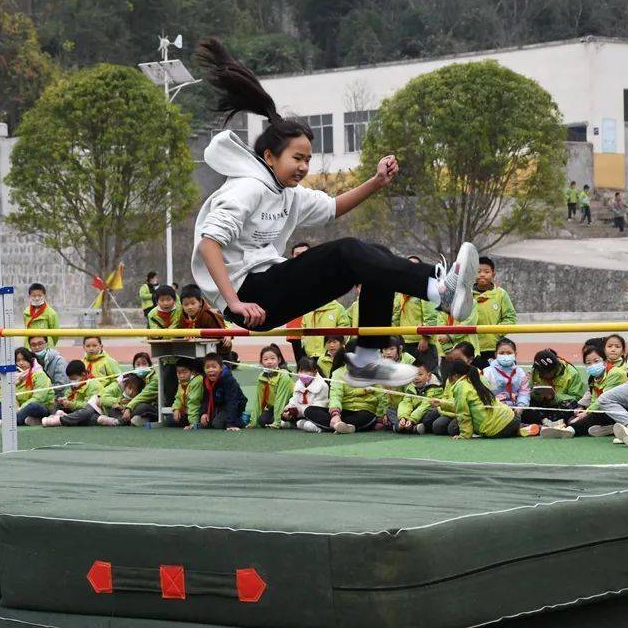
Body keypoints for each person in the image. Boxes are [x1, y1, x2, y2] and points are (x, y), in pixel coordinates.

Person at [191, 37, 478, 388]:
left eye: (308, 159)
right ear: (269, 157)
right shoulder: (246, 188)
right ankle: (438, 289)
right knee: (349, 250)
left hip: (271, 291)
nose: (303, 167)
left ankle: (367, 361)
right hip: (250, 295)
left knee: (376, 259)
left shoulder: (288, 193)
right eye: (297, 158)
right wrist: (234, 302)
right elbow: (209, 243)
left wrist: (376, 181)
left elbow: (332, 207)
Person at [541, 343, 627, 439]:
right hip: (599, 409)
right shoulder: (594, 377)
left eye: (596, 361)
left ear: (605, 361)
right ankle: (609, 429)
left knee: (590, 417)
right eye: (588, 363)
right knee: (573, 417)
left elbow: (604, 399)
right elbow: (591, 395)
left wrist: (587, 412)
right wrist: (581, 407)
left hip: (617, 409)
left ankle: (570, 430)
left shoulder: (615, 374)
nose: (592, 365)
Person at [443, 359, 539, 439]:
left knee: (454, 427)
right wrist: (441, 403)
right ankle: (520, 429)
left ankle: (516, 430)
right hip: (512, 417)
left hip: (493, 429)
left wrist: (464, 435)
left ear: (455, 375)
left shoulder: (460, 387)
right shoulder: (475, 378)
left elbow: (463, 414)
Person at [303, 346, 386, 434]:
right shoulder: (338, 373)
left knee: (367, 417)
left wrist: (380, 417)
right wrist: (335, 415)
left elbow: (382, 396)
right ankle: (340, 425)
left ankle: (332, 426)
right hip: (343, 411)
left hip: (364, 411)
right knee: (309, 410)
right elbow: (335, 396)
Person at [0, 348, 54, 427]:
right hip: (19, 409)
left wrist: (20, 409)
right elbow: (11, 398)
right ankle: (23, 420)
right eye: (18, 360)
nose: (21, 363)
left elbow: (39, 398)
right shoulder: (14, 376)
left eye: (24, 360)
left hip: (41, 407)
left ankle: (6, 421)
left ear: (30, 360)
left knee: (33, 406)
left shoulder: (40, 374)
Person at [392, 256, 440, 371]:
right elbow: (395, 316)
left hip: (422, 343)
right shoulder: (401, 292)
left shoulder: (426, 289)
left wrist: (425, 338)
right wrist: (394, 337)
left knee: (426, 374)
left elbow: (431, 316)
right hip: (405, 342)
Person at [472, 257, 516, 369]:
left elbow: (510, 318)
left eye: (486, 272)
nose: (482, 274)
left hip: (493, 347)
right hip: (472, 348)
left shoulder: (501, 294)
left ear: (493, 274)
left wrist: (496, 332)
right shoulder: (466, 294)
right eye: (478, 271)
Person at [178, 284, 237, 365]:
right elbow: (180, 333)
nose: (190, 307)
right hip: (196, 352)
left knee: (222, 371)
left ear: (200, 302)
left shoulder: (208, 316)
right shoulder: (183, 317)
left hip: (220, 352)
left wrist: (196, 337)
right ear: (182, 305)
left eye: (193, 303)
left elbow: (219, 335)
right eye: (186, 304)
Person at [41, 360, 106, 427]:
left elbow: (89, 407)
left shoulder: (93, 385)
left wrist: (71, 404)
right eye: (70, 380)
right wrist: (63, 400)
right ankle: (60, 416)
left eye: (74, 379)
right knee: (58, 404)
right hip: (76, 411)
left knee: (88, 417)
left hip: (91, 412)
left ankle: (60, 419)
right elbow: (68, 395)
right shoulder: (74, 386)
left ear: (83, 374)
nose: (72, 382)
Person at [530, 349, 588, 424]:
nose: (544, 375)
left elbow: (577, 397)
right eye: (541, 372)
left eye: (547, 372)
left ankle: (551, 421)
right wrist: (536, 394)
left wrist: (554, 397)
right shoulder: (535, 372)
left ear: (555, 368)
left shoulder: (572, 374)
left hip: (560, 405)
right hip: (542, 403)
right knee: (526, 403)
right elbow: (529, 391)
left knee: (572, 405)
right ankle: (544, 420)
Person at [483, 338, 532, 421]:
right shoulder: (487, 372)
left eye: (509, 353)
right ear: (496, 354)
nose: (505, 356)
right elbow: (484, 394)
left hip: (515, 410)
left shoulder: (520, 372)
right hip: (494, 410)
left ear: (515, 354)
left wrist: (521, 406)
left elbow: (524, 392)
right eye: (501, 353)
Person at [199, 352, 247, 430]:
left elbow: (232, 401)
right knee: (204, 423)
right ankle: (221, 416)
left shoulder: (228, 380)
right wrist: (204, 413)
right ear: (204, 369)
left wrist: (230, 424)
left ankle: (241, 420)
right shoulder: (206, 380)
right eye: (207, 367)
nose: (210, 370)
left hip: (236, 404)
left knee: (217, 424)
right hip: (220, 405)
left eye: (214, 367)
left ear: (221, 368)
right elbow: (206, 398)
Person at [284, 243, 313, 364]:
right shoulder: (286, 274)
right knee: (301, 363)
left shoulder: (318, 272)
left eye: (304, 253)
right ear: (292, 256)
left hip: (314, 326)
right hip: (296, 325)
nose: (301, 256)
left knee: (318, 363)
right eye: (297, 254)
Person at [284, 357, 330, 431]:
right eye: (301, 371)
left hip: (314, 415)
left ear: (315, 372)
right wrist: (289, 409)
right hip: (301, 414)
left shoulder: (322, 386)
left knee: (309, 417)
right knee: (283, 421)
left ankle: (318, 427)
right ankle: (298, 423)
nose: (303, 374)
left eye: (307, 371)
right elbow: (294, 400)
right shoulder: (298, 384)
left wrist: (297, 411)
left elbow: (318, 407)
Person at [394, 361, 440, 434]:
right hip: (413, 413)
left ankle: (406, 427)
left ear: (429, 376)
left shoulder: (435, 387)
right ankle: (404, 425)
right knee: (391, 410)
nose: (416, 378)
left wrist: (412, 419)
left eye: (420, 374)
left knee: (434, 412)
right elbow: (406, 403)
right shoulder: (410, 387)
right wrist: (403, 417)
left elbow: (425, 406)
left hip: (423, 413)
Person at [255, 344, 293, 428]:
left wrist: (277, 422)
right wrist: (253, 422)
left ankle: (288, 422)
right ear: (261, 362)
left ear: (279, 360)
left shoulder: (284, 376)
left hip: (289, 405)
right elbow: (258, 400)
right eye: (265, 359)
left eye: (272, 358)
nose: (269, 362)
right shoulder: (262, 376)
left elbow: (281, 400)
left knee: (285, 417)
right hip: (273, 406)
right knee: (262, 421)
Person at [167, 357, 204, 429]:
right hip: (187, 412)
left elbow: (194, 403)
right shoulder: (182, 383)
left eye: (184, 372)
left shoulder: (197, 381)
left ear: (192, 372)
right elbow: (178, 398)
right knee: (170, 420)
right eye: (178, 373)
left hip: (198, 412)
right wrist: (176, 409)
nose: (181, 376)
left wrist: (193, 423)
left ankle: (196, 422)